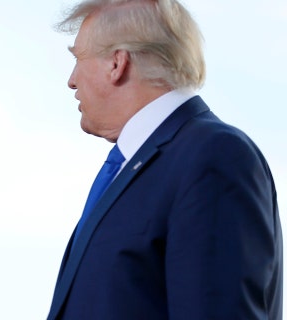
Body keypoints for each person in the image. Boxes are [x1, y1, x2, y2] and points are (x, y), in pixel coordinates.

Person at [47, 0, 282, 319]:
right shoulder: (137, 166)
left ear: (117, 63)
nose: (71, 80)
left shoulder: (213, 155)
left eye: (78, 59)